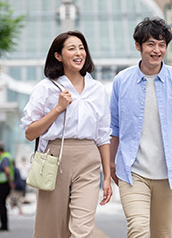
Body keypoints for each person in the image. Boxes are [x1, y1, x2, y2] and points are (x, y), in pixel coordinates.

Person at [110, 17, 172, 237]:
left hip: (169, 171)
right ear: (138, 46)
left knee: (162, 233)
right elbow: (113, 127)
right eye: (151, 44)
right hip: (132, 171)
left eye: (162, 45)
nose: (157, 50)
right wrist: (111, 164)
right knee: (138, 229)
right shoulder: (121, 81)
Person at [21, 30, 112, 238]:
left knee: (82, 229)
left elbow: (103, 135)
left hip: (88, 158)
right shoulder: (45, 88)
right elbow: (29, 132)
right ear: (58, 56)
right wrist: (58, 108)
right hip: (54, 158)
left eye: (81, 48)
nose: (78, 53)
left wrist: (107, 176)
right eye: (71, 49)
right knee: (51, 230)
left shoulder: (97, 89)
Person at [0, 140, 14, 232]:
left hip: (3, 185)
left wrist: (10, 182)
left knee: (1, 205)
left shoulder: (4, 158)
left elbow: (7, 171)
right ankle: (3, 225)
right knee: (1, 205)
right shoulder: (4, 157)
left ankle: (4, 226)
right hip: (2, 185)